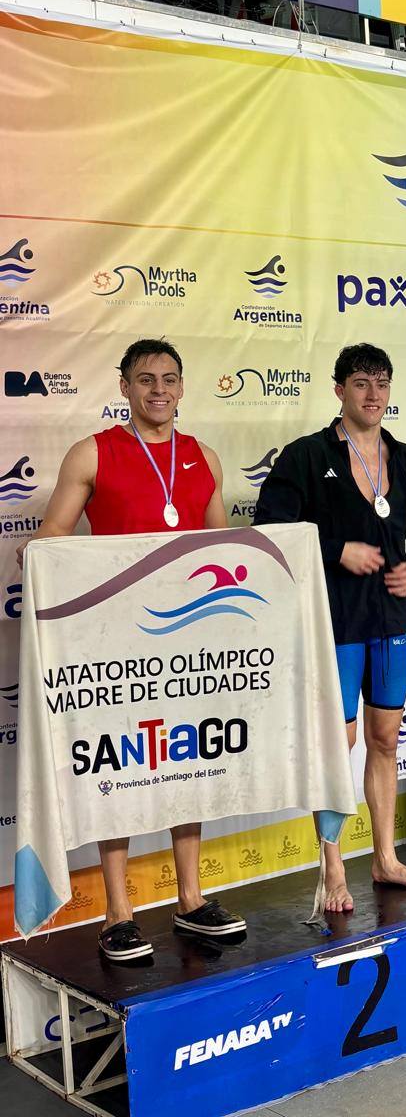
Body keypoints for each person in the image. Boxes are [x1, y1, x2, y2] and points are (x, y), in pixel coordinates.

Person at [17, 338, 246, 961]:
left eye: (169, 379)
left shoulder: (203, 456)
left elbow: (222, 546)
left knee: (190, 760)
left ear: (182, 386)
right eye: (145, 379)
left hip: (189, 642)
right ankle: (119, 912)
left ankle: (191, 900)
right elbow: (54, 534)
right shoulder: (93, 452)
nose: (158, 390)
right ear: (124, 387)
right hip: (114, 643)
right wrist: (34, 555)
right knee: (118, 768)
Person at [254, 344, 406, 912]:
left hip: (390, 620)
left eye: (382, 382)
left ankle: (384, 858)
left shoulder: (403, 457)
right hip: (335, 623)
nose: (373, 393)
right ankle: (332, 868)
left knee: (385, 739)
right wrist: (337, 550)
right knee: (341, 743)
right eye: (361, 382)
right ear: (339, 390)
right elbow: (271, 529)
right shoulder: (306, 456)